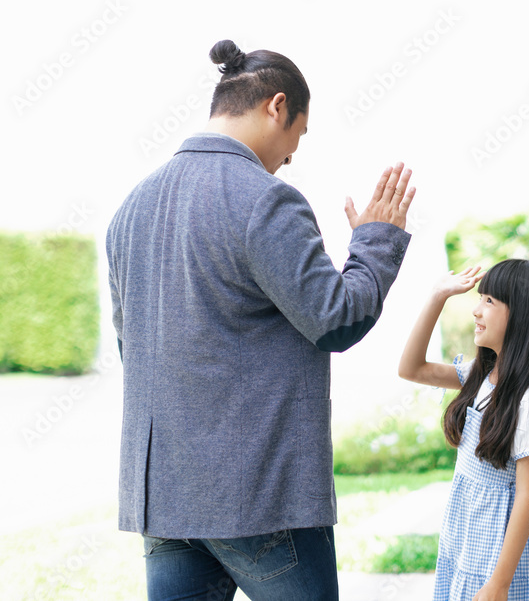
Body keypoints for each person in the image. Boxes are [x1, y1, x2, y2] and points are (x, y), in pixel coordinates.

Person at [106, 39, 415, 600]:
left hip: (165, 499)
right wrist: (376, 242)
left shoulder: (131, 207)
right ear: (277, 106)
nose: (293, 153)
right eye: (299, 132)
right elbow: (336, 319)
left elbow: (134, 348)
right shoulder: (267, 199)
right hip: (258, 498)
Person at [398, 259, 529, 600]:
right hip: (468, 534)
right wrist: (436, 297)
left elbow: (527, 497)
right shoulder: (481, 376)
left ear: (523, 316)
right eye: (480, 298)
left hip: (498, 549)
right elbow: (411, 368)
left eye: (489, 301)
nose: (476, 310)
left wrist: (499, 584)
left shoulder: (528, 400)